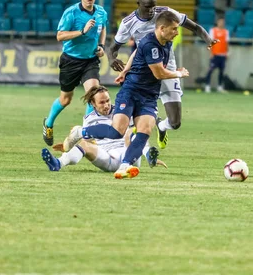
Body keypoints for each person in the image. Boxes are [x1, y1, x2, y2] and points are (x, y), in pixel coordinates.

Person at [62, 11, 189, 179]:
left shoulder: (164, 41)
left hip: (149, 96)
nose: (176, 32)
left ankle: (124, 166)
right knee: (117, 132)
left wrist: (126, 69)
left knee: (144, 130)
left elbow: (136, 53)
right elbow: (159, 73)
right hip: (131, 91)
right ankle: (81, 132)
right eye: (174, 29)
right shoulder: (150, 44)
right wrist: (179, 73)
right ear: (162, 28)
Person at [107, 0, 217, 149]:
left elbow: (195, 27)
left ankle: (162, 126)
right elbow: (113, 47)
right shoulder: (128, 22)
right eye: (147, 7)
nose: (152, 10)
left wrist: (208, 39)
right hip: (143, 71)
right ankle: (132, 150)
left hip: (168, 69)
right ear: (138, 3)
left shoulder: (165, 13)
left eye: (153, 6)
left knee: (175, 122)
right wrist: (111, 59)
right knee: (132, 119)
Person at [42, 0, 108, 146]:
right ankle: (48, 123)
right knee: (65, 99)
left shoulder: (101, 12)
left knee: (94, 94)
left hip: (90, 60)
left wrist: (101, 46)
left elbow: (103, 28)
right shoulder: (71, 13)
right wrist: (82, 31)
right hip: (71, 60)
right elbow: (60, 36)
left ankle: (86, 133)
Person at [41, 85, 166, 173]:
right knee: (84, 143)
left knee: (130, 132)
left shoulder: (122, 111)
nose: (106, 105)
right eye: (101, 102)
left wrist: (146, 150)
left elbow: (140, 135)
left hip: (130, 155)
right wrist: (66, 147)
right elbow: (89, 143)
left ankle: (149, 155)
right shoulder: (89, 119)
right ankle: (58, 163)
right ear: (92, 104)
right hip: (108, 158)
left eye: (107, 100)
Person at [204, 18, 229, 93]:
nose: (221, 23)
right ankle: (207, 86)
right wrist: (211, 52)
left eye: (223, 22)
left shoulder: (226, 32)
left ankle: (220, 86)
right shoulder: (213, 30)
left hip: (222, 55)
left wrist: (227, 52)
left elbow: (226, 43)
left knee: (221, 71)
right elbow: (210, 42)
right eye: (220, 22)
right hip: (215, 54)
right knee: (210, 70)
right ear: (217, 22)